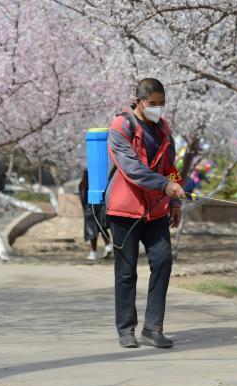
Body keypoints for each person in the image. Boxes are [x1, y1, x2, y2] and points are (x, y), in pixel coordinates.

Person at [106, 78, 184, 349]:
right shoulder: (121, 126)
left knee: (163, 262)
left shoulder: (163, 129)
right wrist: (165, 185)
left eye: (162, 104)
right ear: (139, 101)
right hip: (124, 211)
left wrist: (175, 202)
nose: (158, 109)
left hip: (156, 210)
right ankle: (126, 329)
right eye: (153, 104)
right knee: (126, 273)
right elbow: (131, 169)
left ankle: (153, 328)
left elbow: (170, 166)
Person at [78, 169, 112, 261]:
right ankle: (107, 246)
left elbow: (83, 199)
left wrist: (85, 210)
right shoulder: (99, 184)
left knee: (92, 231)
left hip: (90, 209)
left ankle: (93, 252)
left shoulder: (83, 184)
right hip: (101, 207)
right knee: (102, 228)